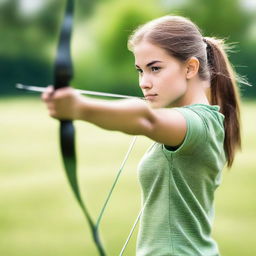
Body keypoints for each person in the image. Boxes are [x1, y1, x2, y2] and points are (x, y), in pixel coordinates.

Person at [42, 15, 241, 256]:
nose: (144, 82)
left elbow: (145, 119)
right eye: (140, 71)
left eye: (155, 68)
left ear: (190, 68)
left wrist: (80, 108)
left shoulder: (197, 124)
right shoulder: (199, 122)